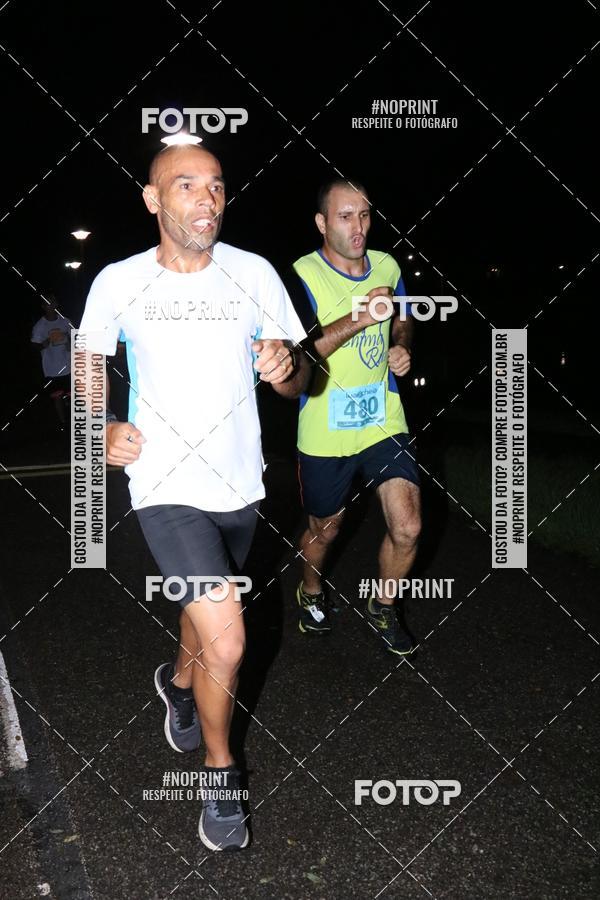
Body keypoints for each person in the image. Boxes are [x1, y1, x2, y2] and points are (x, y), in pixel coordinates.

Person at [79, 144, 308, 851]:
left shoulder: (255, 274)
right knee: (229, 637)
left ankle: (179, 685)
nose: (206, 199)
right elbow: (89, 364)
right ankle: (220, 773)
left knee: (204, 621)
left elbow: (300, 379)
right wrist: (102, 425)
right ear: (154, 200)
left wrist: (286, 367)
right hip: (164, 484)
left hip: (240, 485)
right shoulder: (119, 282)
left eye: (215, 186)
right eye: (186, 185)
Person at [290, 178, 421, 655]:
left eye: (363, 215)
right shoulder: (301, 274)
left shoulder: (387, 264)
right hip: (325, 428)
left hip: (383, 416)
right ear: (323, 223)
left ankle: (383, 605)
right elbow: (298, 354)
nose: (358, 226)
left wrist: (401, 346)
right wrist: (361, 318)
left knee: (408, 525)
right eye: (345, 216)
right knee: (327, 528)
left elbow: (402, 315)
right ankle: (310, 593)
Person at [31, 295, 72, 430]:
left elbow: (77, 338)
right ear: (43, 306)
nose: (51, 304)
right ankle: (63, 424)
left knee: (74, 394)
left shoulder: (65, 321)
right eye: (47, 302)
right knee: (57, 396)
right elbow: (35, 346)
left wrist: (70, 343)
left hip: (69, 364)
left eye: (53, 301)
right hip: (52, 367)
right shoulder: (40, 326)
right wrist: (46, 342)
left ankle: (76, 421)